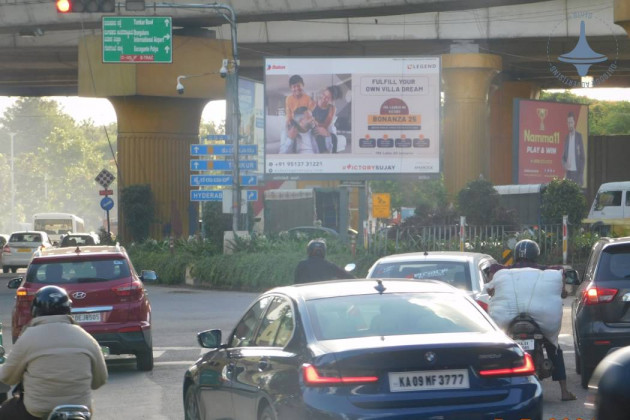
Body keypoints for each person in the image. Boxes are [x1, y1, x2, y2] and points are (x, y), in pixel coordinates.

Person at [487, 239, 576, 402]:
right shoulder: (548, 272)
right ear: (536, 254)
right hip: (537, 323)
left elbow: (491, 290)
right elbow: (562, 291)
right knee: (553, 348)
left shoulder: (503, 271)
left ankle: (495, 389)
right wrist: (562, 293)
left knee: (500, 349)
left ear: (515, 255)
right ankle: (564, 391)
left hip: (511, 322)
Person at [0, 285, 108, 420]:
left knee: (5, 411)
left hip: (38, 411)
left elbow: (7, 377)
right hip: (80, 411)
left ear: (35, 310)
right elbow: (100, 380)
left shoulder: (28, 337)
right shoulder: (86, 338)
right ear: (69, 309)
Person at [311, 85, 341, 153]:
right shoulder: (314, 103)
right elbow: (307, 115)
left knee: (334, 138)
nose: (324, 98)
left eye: (327, 97)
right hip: (312, 126)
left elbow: (326, 124)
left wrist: (324, 131)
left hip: (322, 127)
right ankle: (324, 153)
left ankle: (333, 155)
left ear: (332, 100)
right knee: (319, 136)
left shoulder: (332, 108)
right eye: (324, 94)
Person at [561, 111, 585, 187]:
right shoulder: (566, 138)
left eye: (571, 122)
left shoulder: (579, 136)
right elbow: (563, 157)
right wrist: (565, 164)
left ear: (574, 122)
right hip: (568, 174)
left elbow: (582, 157)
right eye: (568, 123)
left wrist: (581, 173)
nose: (570, 125)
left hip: (577, 174)